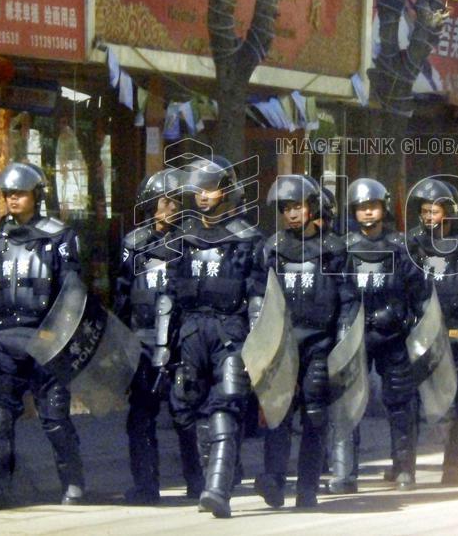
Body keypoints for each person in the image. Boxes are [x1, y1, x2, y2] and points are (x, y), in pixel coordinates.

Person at [0, 162, 86, 506]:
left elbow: (73, 293)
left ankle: (73, 484)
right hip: (5, 337)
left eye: (20, 193)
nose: (13, 199)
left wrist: (59, 339)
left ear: (36, 196)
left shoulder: (60, 236)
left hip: (45, 338)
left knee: (54, 416)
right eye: (8, 194)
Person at [167, 156, 266, 518]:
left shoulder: (248, 239)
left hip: (230, 331)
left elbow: (257, 297)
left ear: (227, 191)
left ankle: (217, 489)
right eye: (198, 189)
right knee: (189, 401)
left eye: (210, 188)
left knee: (226, 403)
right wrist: (165, 345)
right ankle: (216, 474)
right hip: (191, 330)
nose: (203, 196)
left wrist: (256, 349)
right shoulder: (184, 238)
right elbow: (170, 292)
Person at [254, 176, 358, 509]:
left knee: (314, 413)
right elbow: (258, 296)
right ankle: (274, 481)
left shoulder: (334, 248)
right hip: (282, 344)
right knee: (277, 413)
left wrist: (342, 338)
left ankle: (308, 487)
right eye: (286, 208)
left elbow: (348, 298)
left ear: (312, 207)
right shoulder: (271, 248)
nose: (293, 214)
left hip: (319, 343)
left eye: (298, 206)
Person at [328, 178, 428, 493]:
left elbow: (421, 292)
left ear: (383, 208)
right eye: (361, 208)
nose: (368, 213)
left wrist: (407, 318)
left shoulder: (402, 246)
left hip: (393, 335)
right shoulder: (342, 247)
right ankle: (345, 473)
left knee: (400, 401)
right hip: (354, 334)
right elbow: (333, 290)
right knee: (347, 402)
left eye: (372, 206)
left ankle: (404, 468)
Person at [114, 168, 203, 504]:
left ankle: (198, 482)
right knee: (140, 414)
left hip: (182, 340)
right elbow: (123, 294)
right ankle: (146, 486)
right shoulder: (134, 243)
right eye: (165, 202)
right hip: (143, 339)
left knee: (184, 411)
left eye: (176, 202)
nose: (170, 208)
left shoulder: (194, 241)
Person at [405, 178, 458, 485]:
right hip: (419, 334)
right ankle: (404, 463)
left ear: (448, 213)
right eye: (425, 211)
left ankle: (453, 463)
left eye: (434, 211)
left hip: (455, 334)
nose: (428, 217)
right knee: (408, 401)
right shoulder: (410, 244)